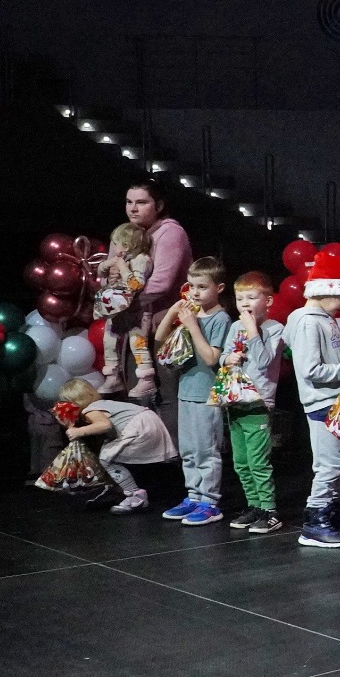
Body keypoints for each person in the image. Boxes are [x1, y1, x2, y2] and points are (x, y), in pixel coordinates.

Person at [284, 249, 340, 549]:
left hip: (335, 401)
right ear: (324, 289)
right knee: (328, 465)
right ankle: (315, 524)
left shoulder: (324, 319)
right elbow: (310, 369)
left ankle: (330, 518)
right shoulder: (308, 322)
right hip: (322, 403)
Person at [155, 256, 231, 527]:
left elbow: (211, 358)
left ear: (219, 288)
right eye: (191, 286)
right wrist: (173, 312)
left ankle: (209, 502)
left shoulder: (221, 319)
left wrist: (192, 326)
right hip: (186, 391)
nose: (195, 293)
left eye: (202, 287)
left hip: (206, 394)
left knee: (205, 450)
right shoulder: (193, 313)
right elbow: (159, 338)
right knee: (188, 450)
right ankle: (194, 495)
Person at [219, 272, 286, 534]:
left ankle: (270, 510)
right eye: (239, 298)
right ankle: (254, 505)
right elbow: (224, 355)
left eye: (251, 297)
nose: (244, 303)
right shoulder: (235, 327)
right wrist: (227, 359)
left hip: (258, 403)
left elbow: (265, 361)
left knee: (258, 461)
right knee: (240, 461)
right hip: (235, 401)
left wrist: (252, 331)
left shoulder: (274, 329)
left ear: (268, 301)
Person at [58, 377, 175, 515]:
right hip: (149, 421)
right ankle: (117, 489)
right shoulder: (102, 403)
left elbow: (105, 425)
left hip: (138, 426)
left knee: (106, 458)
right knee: (109, 450)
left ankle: (135, 496)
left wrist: (78, 431)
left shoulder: (90, 410)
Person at [125, 179, 192, 412]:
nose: (133, 208)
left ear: (159, 205)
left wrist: (122, 300)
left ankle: (171, 437)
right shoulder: (127, 233)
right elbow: (110, 274)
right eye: (129, 202)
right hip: (135, 324)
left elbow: (162, 283)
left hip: (166, 325)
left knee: (167, 394)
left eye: (141, 202)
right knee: (136, 392)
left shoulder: (171, 232)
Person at [94, 222, 154, 398]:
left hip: (137, 312)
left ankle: (146, 379)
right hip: (118, 309)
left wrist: (122, 268)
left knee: (138, 344)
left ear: (126, 246)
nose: (114, 247)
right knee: (109, 340)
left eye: (116, 244)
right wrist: (109, 266)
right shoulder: (121, 259)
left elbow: (136, 284)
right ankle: (113, 376)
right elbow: (100, 273)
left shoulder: (141, 260)